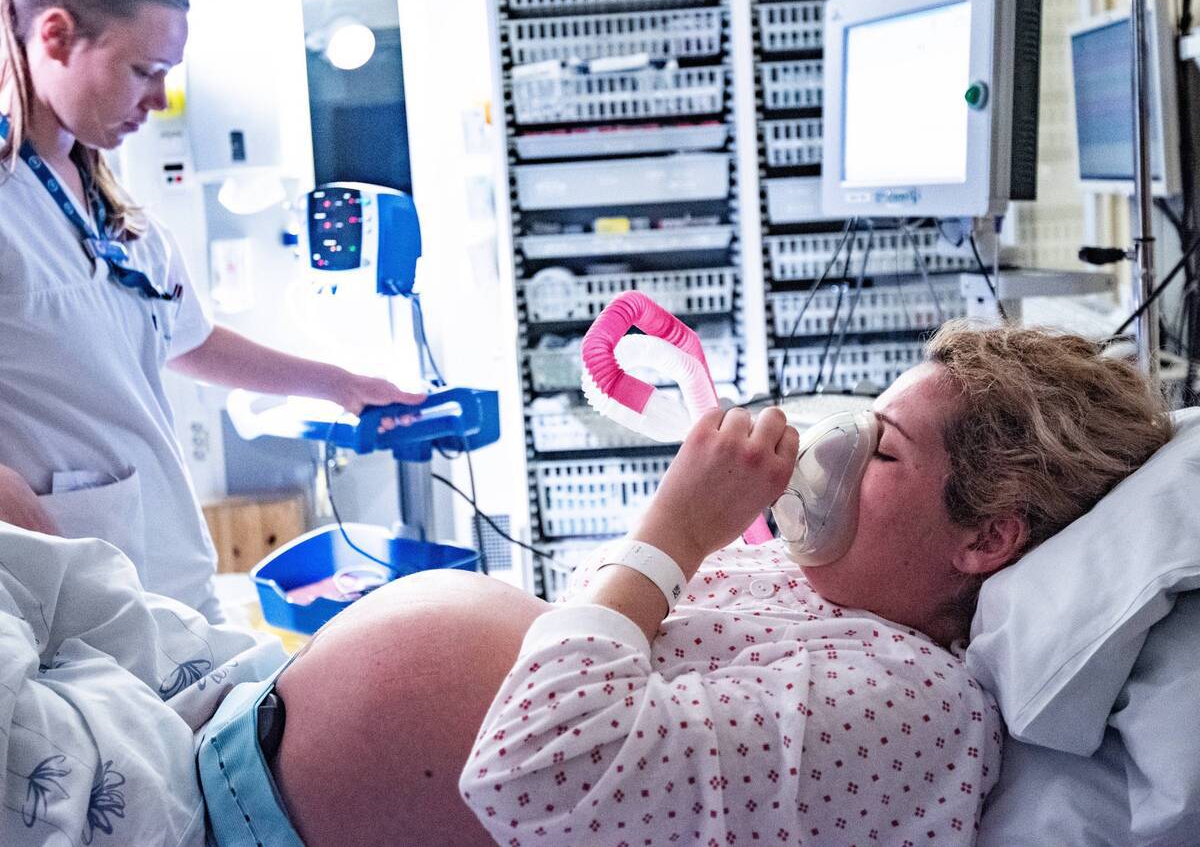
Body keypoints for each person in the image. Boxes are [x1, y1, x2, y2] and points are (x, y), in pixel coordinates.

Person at [0, 323, 1172, 845]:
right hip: (228, 708)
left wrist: (673, 530)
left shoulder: (920, 712)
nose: (834, 449)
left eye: (885, 451)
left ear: (986, 539)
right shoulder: (828, 595)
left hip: (213, 816)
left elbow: (536, 767)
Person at [0, 0, 422, 623]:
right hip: (65, 588)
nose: (160, 99)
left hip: (167, 568)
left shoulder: (109, 205)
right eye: (144, 71)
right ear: (54, 37)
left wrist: (340, 385)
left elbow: (189, 338)